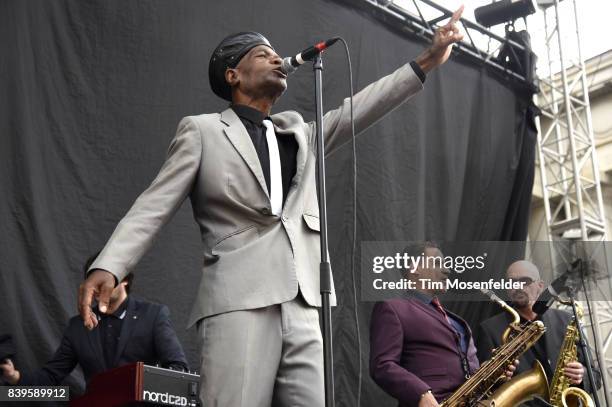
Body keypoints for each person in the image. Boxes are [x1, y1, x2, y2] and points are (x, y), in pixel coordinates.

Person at [79, 7, 465, 406]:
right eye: (263, 54)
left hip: (303, 304)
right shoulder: (203, 131)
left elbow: (359, 108)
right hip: (239, 301)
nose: (278, 59)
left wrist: (426, 61)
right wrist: (110, 264)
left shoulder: (300, 131)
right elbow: (153, 205)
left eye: (277, 54)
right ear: (234, 75)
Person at [369, 241, 516, 407]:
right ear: (415, 268)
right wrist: (421, 393)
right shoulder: (393, 308)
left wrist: (493, 376)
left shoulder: (459, 323)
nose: (447, 270)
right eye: (438, 263)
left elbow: (471, 374)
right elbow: (382, 365)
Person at [0, 260, 188, 388]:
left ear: (124, 279)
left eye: (102, 280)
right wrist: (15, 377)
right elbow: (51, 376)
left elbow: (179, 369)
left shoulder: (153, 315)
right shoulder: (77, 326)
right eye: (92, 280)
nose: (96, 287)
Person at [477, 260, 601, 406]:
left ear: (540, 286)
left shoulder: (566, 320)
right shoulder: (489, 329)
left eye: (525, 281)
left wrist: (582, 375)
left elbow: (596, 378)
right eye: (511, 282)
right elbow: (484, 389)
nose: (518, 286)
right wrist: (498, 378)